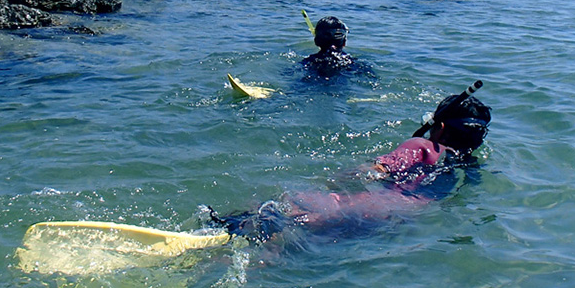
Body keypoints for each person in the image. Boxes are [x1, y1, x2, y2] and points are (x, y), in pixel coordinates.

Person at [209, 91, 492, 242]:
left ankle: (217, 237)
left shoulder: (423, 146)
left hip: (364, 204)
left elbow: (377, 171)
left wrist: (338, 179)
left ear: (439, 127)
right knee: (293, 242)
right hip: (393, 220)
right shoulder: (465, 167)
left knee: (279, 207)